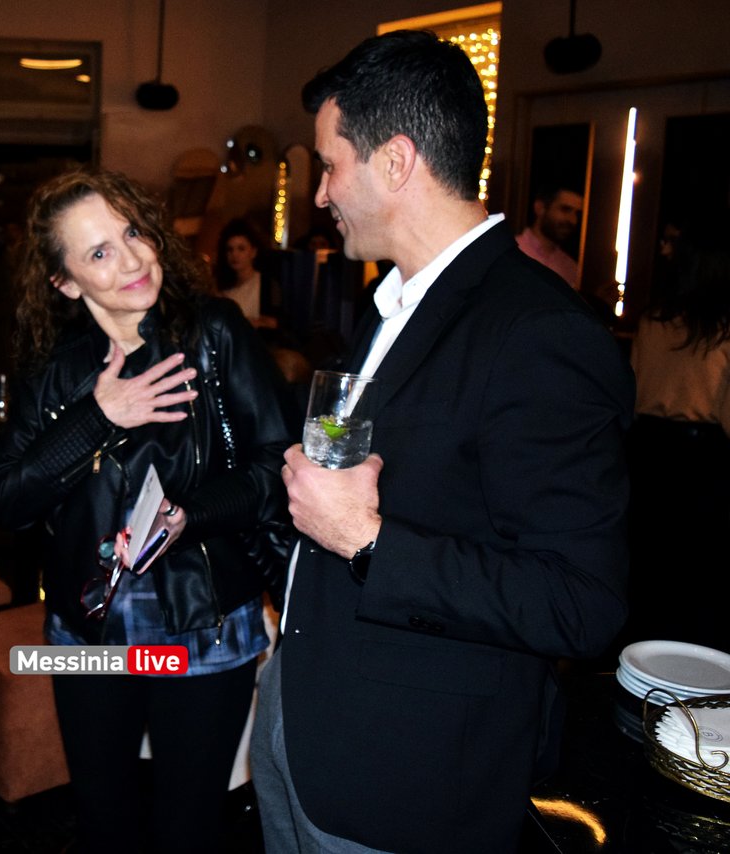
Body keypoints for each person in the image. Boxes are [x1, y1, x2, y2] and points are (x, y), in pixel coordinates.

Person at [252, 30, 632, 854]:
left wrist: (367, 540)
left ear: (395, 161)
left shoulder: (539, 331)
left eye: (330, 166)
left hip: (402, 777)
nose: (320, 193)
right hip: (305, 718)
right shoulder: (396, 301)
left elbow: (580, 604)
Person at [0, 170, 289, 854]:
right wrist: (97, 416)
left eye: (132, 232)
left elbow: (278, 463)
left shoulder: (212, 331)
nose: (130, 260)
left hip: (202, 628)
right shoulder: (57, 366)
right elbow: (5, 499)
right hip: (90, 636)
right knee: (104, 820)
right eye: (98, 253)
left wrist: (190, 515)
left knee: (189, 827)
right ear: (64, 282)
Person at [625, 211, 730, 650]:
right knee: (695, 585)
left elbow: (631, 392)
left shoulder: (653, 319)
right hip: (701, 461)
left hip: (646, 453)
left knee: (645, 574)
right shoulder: (723, 329)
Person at [213, 217, 278, 329]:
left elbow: (273, 323)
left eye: (241, 249)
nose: (235, 255)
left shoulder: (264, 284)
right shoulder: (223, 287)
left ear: (253, 252)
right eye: (230, 249)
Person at [515, 182, 583, 288]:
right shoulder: (511, 251)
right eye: (565, 209)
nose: (572, 220)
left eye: (577, 214)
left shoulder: (571, 269)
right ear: (540, 208)